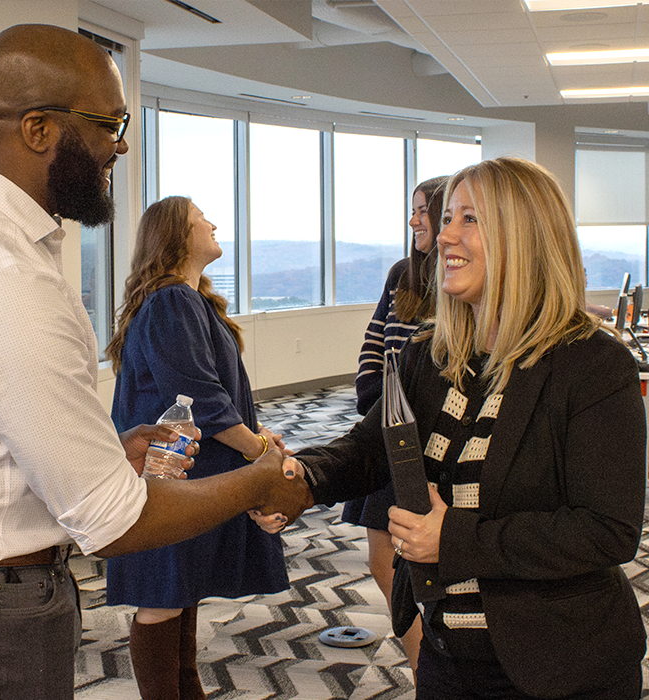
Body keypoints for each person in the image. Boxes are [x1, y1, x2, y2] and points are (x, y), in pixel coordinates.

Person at [0, 24, 310, 700]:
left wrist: (106, 451)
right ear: (38, 129)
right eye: (109, 124)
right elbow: (111, 520)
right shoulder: (2, 276)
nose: (120, 145)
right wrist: (261, 480)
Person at [273, 157, 646, 698]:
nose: (444, 234)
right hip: (446, 653)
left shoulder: (592, 365)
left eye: (469, 219)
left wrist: (454, 539)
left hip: (560, 665)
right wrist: (299, 476)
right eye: (447, 217)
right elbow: (372, 449)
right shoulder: (429, 355)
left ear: (524, 236)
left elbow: (606, 530)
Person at [104, 196, 293, 699]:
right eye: (200, 218)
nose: (211, 223)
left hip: (182, 473)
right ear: (177, 236)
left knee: (179, 595)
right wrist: (260, 452)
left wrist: (257, 434)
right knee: (163, 597)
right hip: (171, 475)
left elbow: (214, 393)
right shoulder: (172, 301)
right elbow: (201, 399)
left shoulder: (184, 300)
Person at [342, 176, 447, 676]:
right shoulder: (402, 273)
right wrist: (372, 394)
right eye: (414, 211)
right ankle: (423, 665)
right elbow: (375, 338)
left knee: (418, 562)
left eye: (423, 211)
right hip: (386, 423)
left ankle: (434, 667)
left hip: (427, 436)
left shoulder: (459, 278)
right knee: (381, 558)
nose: (413, 221)